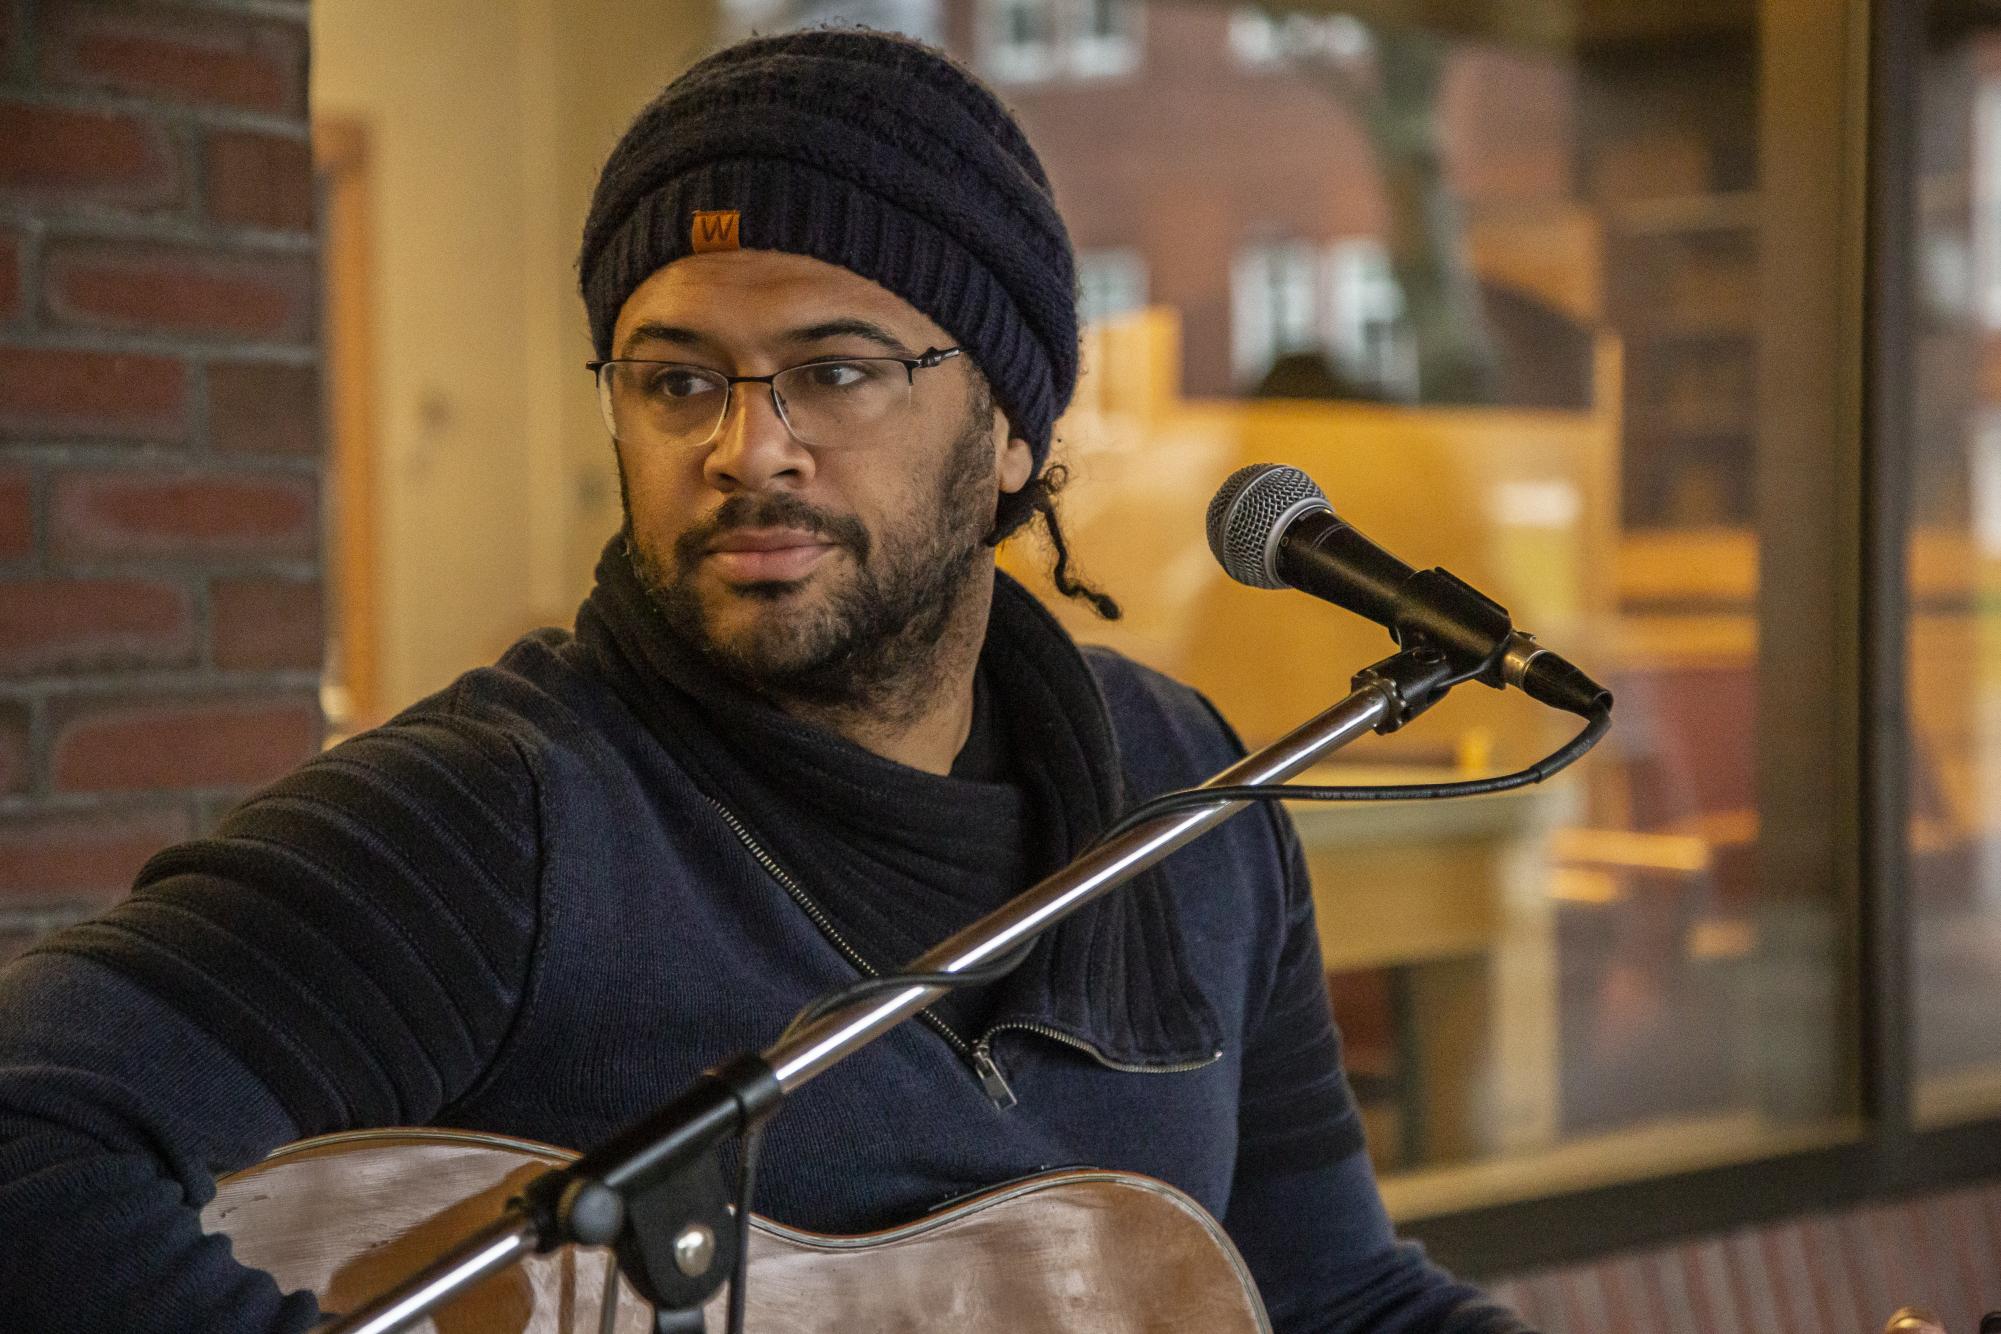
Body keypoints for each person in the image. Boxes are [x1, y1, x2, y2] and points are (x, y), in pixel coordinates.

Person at [0, 27, 1532, 1334]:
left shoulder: (1184, 794)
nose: (746, 447)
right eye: (676, 380)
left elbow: (1328, 1294)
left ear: (1010, 428)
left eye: (835, 369)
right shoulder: (508, 815)